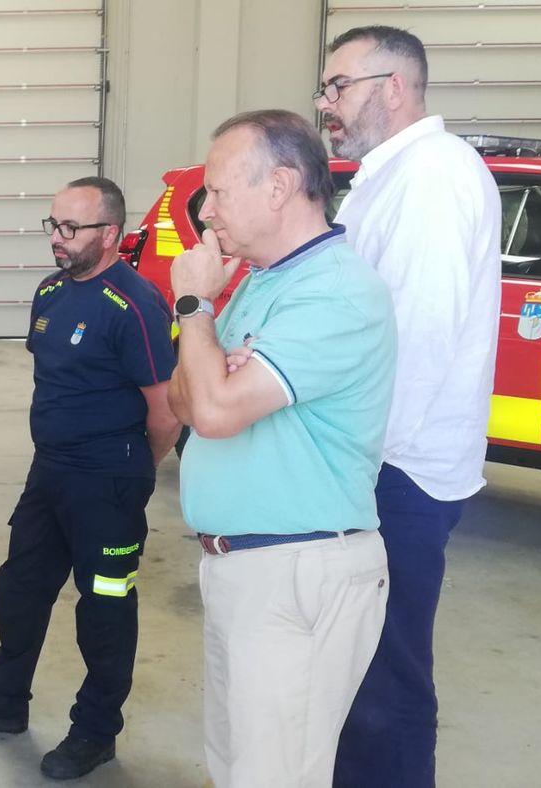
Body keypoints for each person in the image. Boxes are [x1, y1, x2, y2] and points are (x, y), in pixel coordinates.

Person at [168, 110, 395, 788]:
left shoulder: (336, 292)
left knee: (276, 776)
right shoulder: (266, 282)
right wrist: (214, 364)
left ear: (281, 186)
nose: (206, 212)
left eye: (218, 190)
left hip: (296, 570)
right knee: (235, 764)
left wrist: (192, 308)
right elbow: (186, 401)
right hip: (244, 566)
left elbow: (208, 409)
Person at [0, 177, 178, 780]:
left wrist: (135, 471)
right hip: (50, 473)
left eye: (72, 229)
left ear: (111, 235)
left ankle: (95, 732)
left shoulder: (137, 303)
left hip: (110, 477)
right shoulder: (49, 293)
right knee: (20, 588)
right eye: (53, 226)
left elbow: (166, 410)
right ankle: (4, 701)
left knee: (104, 607)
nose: (58, 241)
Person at [315, 26, 502, 787]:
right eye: (325, 89)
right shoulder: (388, 177)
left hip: (395, 472)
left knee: (386, 679)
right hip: (375, 465)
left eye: (339, 87)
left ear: (394, 86)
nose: (326, 104)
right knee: (360, 667)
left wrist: (353, 474)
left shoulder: (432, 176)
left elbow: (418, 339)